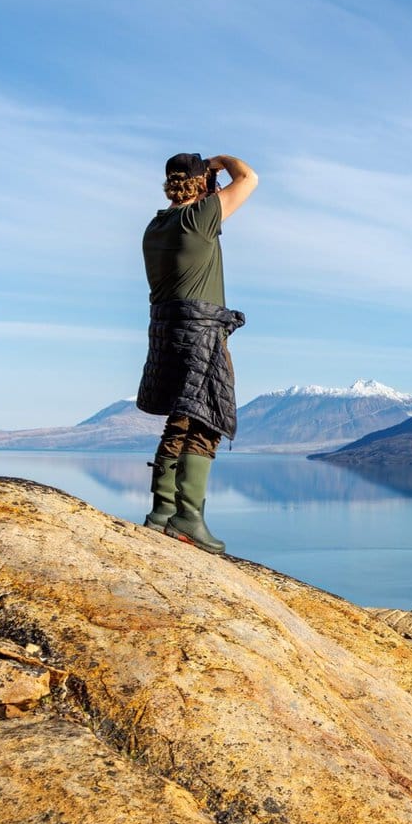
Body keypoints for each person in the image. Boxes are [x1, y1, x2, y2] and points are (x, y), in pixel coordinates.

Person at [136, 152, 257, 553]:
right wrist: (221, 161)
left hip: (165, 329)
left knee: (182, 417)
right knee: (206, 419)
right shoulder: (199, 217)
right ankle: (188, 517)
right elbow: (250, 178)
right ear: (202, 185)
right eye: (210, 180)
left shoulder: (155, 226)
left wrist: (206, 174)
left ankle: (162, 512)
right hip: (201, 331)